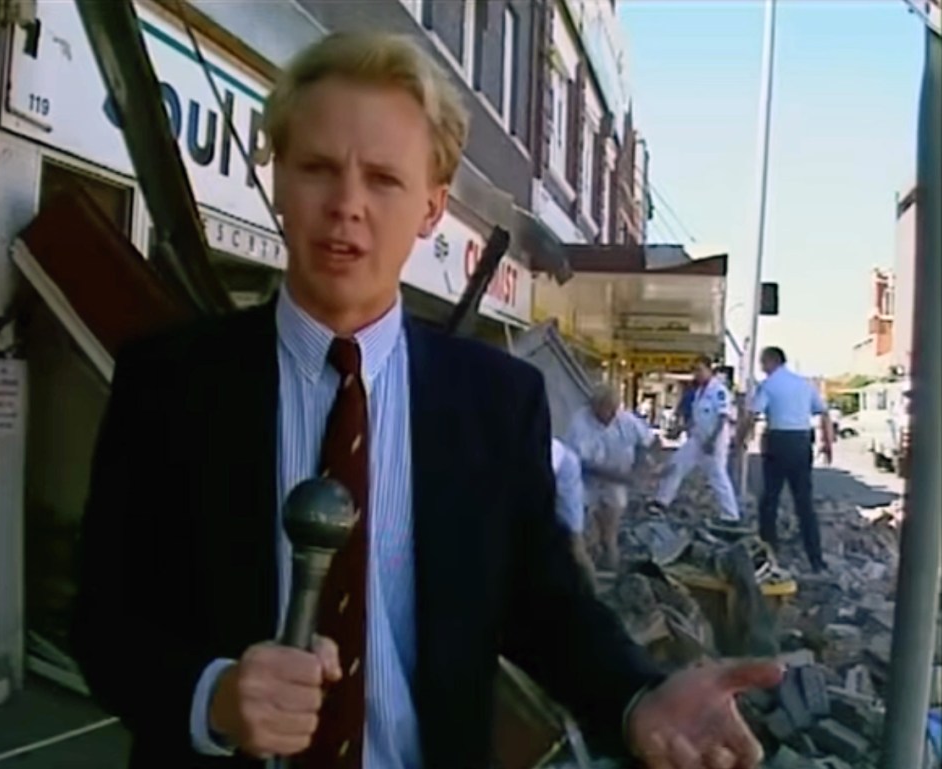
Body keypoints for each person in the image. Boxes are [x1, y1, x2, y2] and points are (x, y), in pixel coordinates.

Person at [72, 31, 782, 769]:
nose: (347, 205)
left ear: (431, 208)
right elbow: (103, 622)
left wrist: (637, 695)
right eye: (317, 168)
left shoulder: (495, 401)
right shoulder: (170, 380)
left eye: (383, 179)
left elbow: (544, 606)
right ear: (277, 177)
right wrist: (212, 696)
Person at [737, 346, 833, 573]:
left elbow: (752, 415)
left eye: (763, 363)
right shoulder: (804, 384)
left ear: (771, 362)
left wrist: (739, 440)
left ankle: (768, 554)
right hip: (801, 442)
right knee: (804, 503)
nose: (762, 368)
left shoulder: (769, 385)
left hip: (777, 442)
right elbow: (824, 413)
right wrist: (827, 443)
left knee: (769, 500)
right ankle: (816, 560)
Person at [564, 386, 659, 572]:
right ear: (595, 407)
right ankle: (581, 566)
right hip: (585, 480)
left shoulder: (626, 420)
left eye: (614, 409)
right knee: (580, 530)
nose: (612, 414)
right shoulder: (579, 424)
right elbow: (583, 464)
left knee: (610, 532)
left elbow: (651, 441)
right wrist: (623, 477)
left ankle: (610, 565)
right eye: (607, 409)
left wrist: (645, 462)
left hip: (617, 480)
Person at [648, 356, 742, 522]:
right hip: (697, 438)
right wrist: (680, 429)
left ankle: (730, 515)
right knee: (676, 464)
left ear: (709, 370)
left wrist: (712, 441)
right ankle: (661, 501)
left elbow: (722, 418)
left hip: (714, 440)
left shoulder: (718, 391)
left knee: (717, 476)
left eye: (700, 370)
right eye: (695, 370)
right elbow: (696, 417)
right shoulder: (699, 392)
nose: (697, 374)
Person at [552, 437, 598, 589]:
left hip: (565, 483)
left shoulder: (550, 450)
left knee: (576, 547)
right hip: (548, 485)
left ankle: (593, 595)